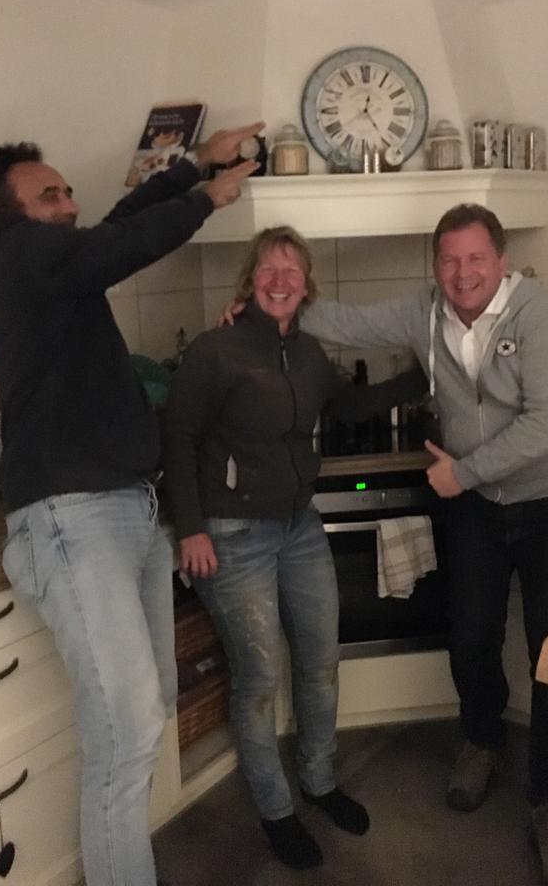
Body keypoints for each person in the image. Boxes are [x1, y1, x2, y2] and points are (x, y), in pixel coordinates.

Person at [0, 122, 263, 886]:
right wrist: (204, 196)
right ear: (7, 214)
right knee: (126, 735)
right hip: (73, 520)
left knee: (144, 715)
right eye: (50, 195)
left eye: (68, 191)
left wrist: (192, 164)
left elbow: (115, 229)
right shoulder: (17, 253)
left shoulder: (48, 267)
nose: (69, 204)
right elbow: (122, 242)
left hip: (125, 511)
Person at [279, 204, 548, 884]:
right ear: (435, 266)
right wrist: (267, 307)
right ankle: (482, 741)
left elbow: (547, 423)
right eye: (449, 260)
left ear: (501, 260)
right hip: (476, 506)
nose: (462, 272)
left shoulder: (541, 316)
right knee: (471, 634)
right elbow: (346, 321)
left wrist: (464, 472)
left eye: (475, 258)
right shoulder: (424, 312)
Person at [162, 225, 427, 870]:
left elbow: (349, 405)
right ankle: (277, 812)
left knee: (319, 659)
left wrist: (423, 376)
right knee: (258, 679)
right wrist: (191, 527)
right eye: (268, 269)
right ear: (249, 280)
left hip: (298, 526)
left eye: (292, 271)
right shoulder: (215, 350)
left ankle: (319, 779)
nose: (280, 280)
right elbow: (178, 439)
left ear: (307, 287)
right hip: (231, 534)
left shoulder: (308, 353)